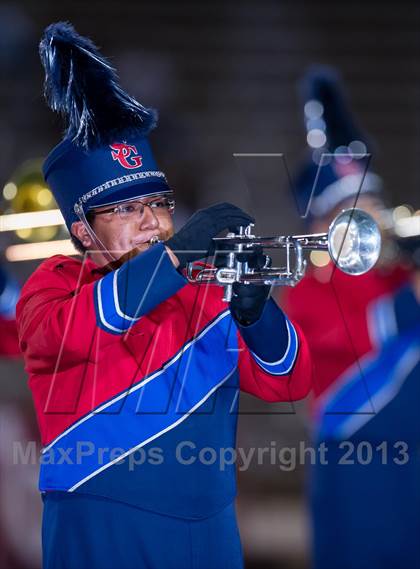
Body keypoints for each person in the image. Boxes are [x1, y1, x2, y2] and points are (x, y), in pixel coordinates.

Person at [16, 23, 312, 569]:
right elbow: (68, 335)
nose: (152, 221)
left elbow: (290, 382)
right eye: (127, 209)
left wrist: (256, 312)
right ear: (84, 231)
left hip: (212, 532)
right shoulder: (56, 283)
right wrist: (175, 261)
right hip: (101, 524)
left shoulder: (204, 288)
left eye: (158, 202)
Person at [281, 66, 420, 569]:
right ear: (322, 224)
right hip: (361, 464)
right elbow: (352, 339)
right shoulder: (309, 292)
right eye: (356, 208)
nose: (375, 218)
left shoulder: (400, 273)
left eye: (374, 204)